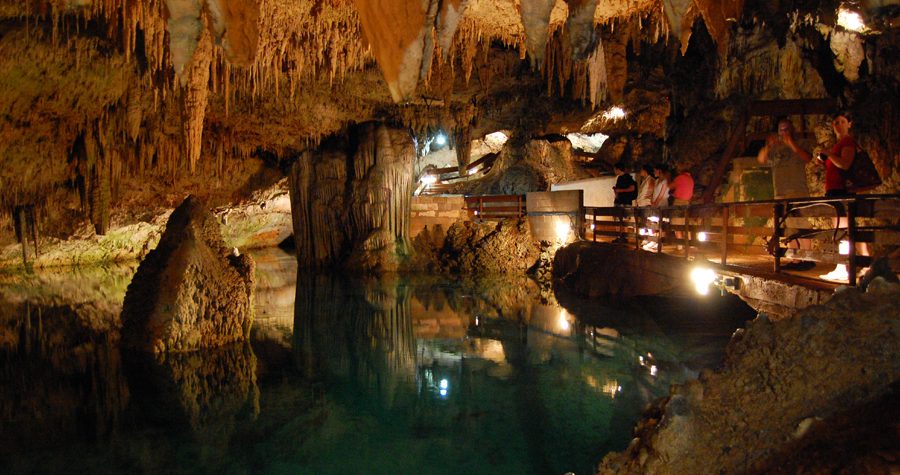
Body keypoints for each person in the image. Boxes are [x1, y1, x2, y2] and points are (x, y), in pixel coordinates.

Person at [816, 112, 868, 281]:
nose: (838, 124)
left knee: (844, 230)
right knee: (847, 229)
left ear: (849, 124)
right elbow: (836, 167)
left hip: (840, 191)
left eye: (842, 121)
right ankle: (865, 265)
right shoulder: (838, 144)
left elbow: (845, 165)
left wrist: (829, 154)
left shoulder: (847, 141)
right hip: (834, 190)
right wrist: (825, 159)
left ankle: (844, 266)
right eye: (836, 122)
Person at [756, 118, 812, 199]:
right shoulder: (774, 148)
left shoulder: (802, 143)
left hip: (799, 191)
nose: (783, 133)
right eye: (781, 130)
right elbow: (761, 159)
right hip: (780, 193)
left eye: (786, 130)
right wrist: (768, 146)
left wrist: (792, 144)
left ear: (792, 130)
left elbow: (808, 159)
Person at [612, 163, 637, 243]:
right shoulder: (619, 178)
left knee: (624, 220)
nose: (614, 171)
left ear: (618, 169)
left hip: (624, 202)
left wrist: (620, 190)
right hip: (620, 201)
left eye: (615, 169)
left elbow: (632, 188)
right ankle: (620, 237)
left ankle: (624, 237)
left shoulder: (627, 177)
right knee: (618, 219)